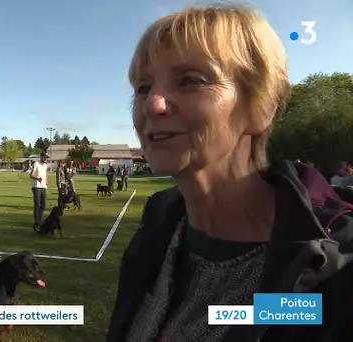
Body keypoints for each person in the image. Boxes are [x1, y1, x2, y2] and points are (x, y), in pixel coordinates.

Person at [107, 4, 353, 342]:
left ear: (262, 107)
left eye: (191, 80)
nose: (153, 105)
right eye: (143, 87)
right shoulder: (156, 228)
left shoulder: (336, 270)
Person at [30, 153, 49, 231]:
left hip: (43, 186)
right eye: (44, 157)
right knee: (37, 204)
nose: (45, 159)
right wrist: (37, 178)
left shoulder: (45, 165)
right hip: (36, 186)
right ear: (41, 157)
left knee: (43, 205)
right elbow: (31, 175)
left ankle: (39, 220)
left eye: (46, 158)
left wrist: (47, 181)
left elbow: (46, 173)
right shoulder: (36, 164)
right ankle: (37, 222)